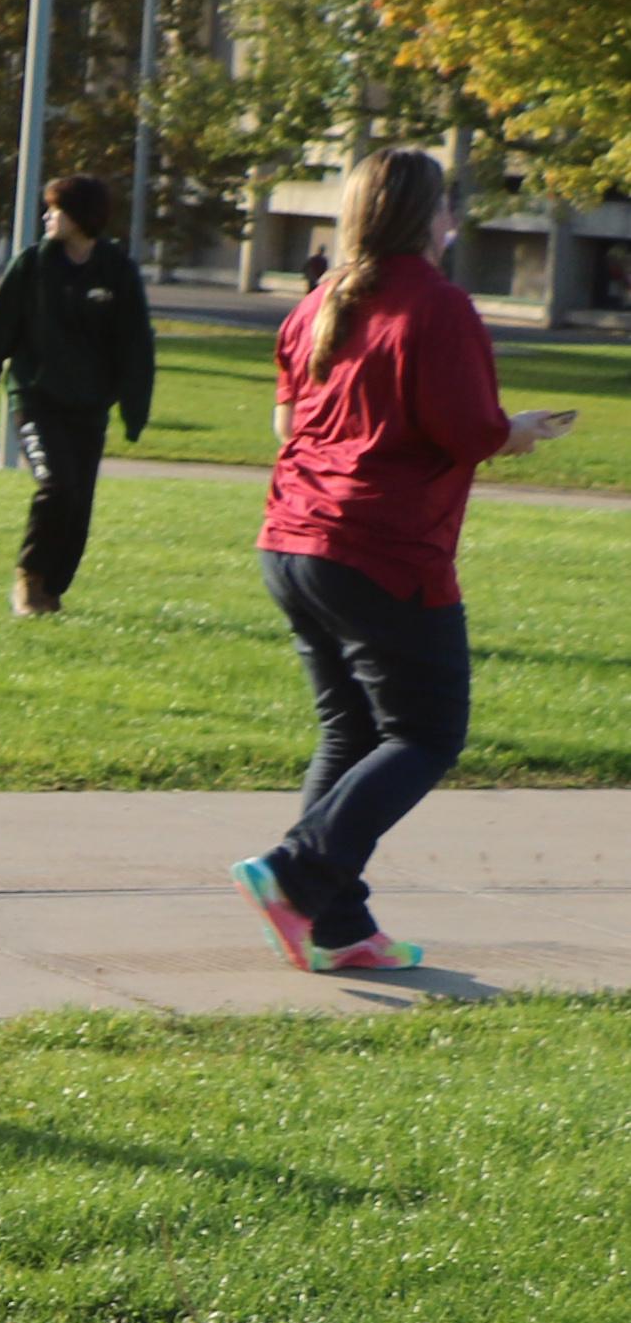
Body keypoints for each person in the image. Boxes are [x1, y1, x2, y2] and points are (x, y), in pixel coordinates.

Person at [239, 145, 572, 975]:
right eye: (450, 208)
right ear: (429, 218)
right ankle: (296, 871)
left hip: (291, 541)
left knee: (351, 731)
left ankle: (335, 927)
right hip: (381, 549)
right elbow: (466, 428)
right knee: (426, 732)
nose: (456, 222)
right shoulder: (439, 307)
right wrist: (516, 432)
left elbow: (287, 429)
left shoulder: (317, 303)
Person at [0, 174, 155, 617]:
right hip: (35, 399)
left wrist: (134, 407)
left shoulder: (117, 272)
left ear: (83, 217)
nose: (48, 217)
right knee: (56, 488)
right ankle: (28, 580)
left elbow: (135, 345)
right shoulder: (32, 265)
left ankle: (53, 590)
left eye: (57, 210)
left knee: (79, 504)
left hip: (89, 408)